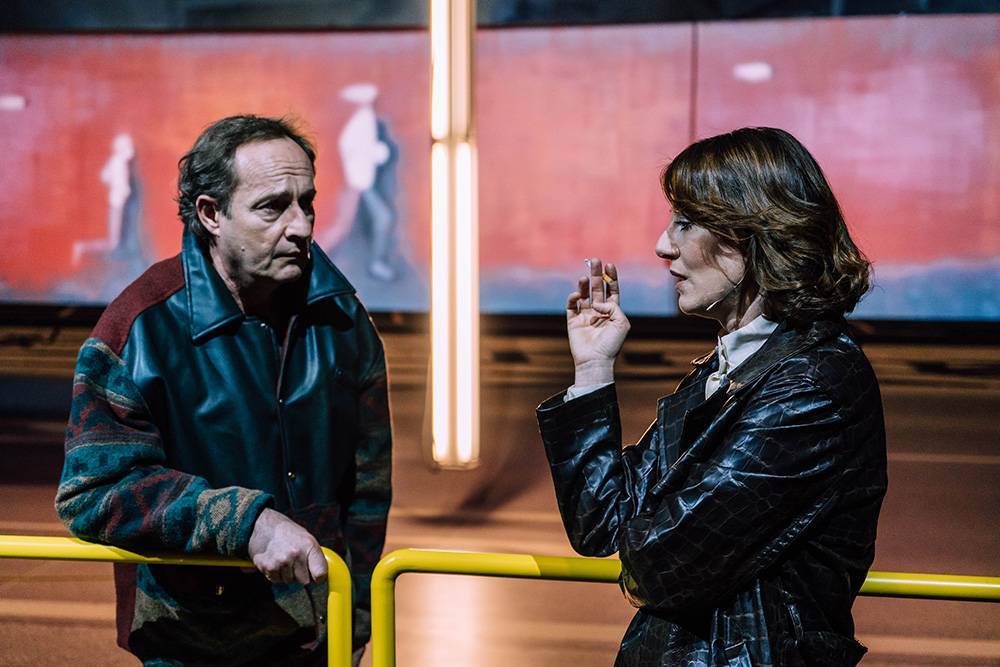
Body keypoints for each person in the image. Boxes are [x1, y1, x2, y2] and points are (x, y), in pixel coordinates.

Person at [537, 127, 887, 666]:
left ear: (753, 233)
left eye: (685, 222)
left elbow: (659, 567)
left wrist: (645, 529)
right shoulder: (728, 371)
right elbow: (600, 523)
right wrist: (593, 369)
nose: (663, 246)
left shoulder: (813, 384)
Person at [56, 115, 392, 666]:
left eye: (307, 202)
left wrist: (353, 625)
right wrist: (244, 521)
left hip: (315, 637)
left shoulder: (343, 321)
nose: (302, 226)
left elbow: (368, 490)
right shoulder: (140, 329)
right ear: (211, 214)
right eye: (272, 207)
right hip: (190, 641)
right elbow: (92, 492)